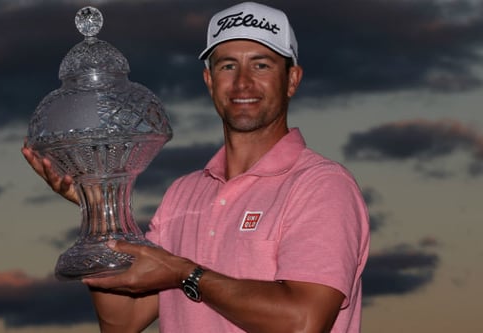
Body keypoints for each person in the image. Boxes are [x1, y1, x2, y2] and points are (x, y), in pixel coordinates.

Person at [22, 2, 370, 332]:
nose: (243, 82)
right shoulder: (182, 195)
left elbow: (304, 323)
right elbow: (122, 322)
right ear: (209, 81)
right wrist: (100, 208)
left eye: (261, 65)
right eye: (227, 65)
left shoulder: (322, 186)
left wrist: (184, 273)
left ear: (292, 79)